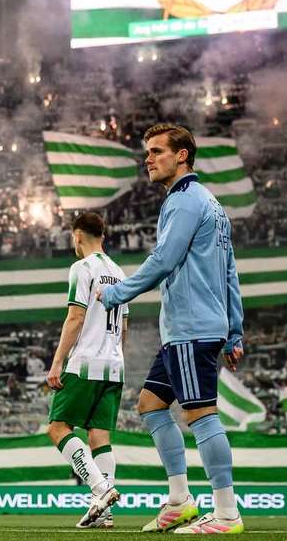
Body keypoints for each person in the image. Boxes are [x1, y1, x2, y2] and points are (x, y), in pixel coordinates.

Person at [99, 124, 245, 534]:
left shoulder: (183, 202)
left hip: (191, 327)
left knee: (200, 414)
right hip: (196, 327)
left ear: (182, 155)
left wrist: (116, 294)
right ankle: (180, 500)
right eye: (147, 152)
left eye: (157, 151)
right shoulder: (213, 204)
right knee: (150, 404)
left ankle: (227, 513)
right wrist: (234, 331)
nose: (148, 158)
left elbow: (163, 260)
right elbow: (230, 272)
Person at [46, 212, 127, 529]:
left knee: (57, 427)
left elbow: (76, 318)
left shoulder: (82, 268)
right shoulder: (120, 273)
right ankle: (103, 514)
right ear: (102, 236)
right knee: (99, 435)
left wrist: (57, 363)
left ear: (77, 236)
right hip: (114, 363)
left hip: (86, 362)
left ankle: (102, 490)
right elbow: (124, 326)